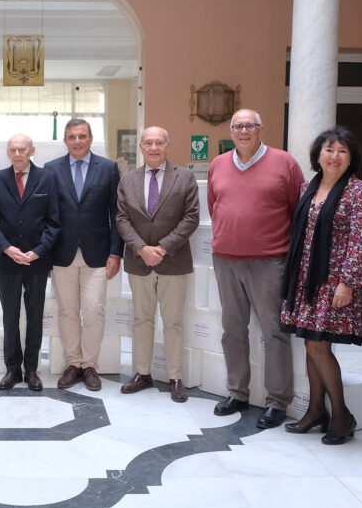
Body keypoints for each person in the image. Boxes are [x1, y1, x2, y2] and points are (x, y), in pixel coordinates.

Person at [207, 109, 303, 428]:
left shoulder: (284, 163)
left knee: (273, 332)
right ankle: (238, 391)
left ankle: (277, 400)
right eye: (238, 126)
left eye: (250, 125)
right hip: (225, 260)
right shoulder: (218, 164)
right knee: (232, 330)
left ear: (261, 129)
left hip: (269, 262)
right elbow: (215, 206)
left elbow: (297, 211)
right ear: (231, 132)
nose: (244, 131)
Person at [280, 126, 362, 444]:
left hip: (334, 281)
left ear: (352, 158)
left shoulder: (360, 192)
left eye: (342, 151)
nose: (334, 156)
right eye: (329, 149)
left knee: (318, 346)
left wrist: (348, 283)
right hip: (305, 278)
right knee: (311, 342)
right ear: (318, 154)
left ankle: (342, 414)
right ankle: (316, 410)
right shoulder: (310, 186)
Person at [116, 126, 200, 402]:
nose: (154, 148)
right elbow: (122, 219)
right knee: (142, 320)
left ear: (167, 146)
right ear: (141, 147)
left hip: (173, 261)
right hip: (139, 262)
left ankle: (175, 377)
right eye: (148, 143)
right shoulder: (127, 179)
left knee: (173, 322)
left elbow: (191, 217)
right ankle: (142, 373)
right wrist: (141, 248)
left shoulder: (184, 176)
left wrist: (162, 248)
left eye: (159, 143)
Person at [45, 119, 123, 391]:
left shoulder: (109, 169)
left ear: (90, 139)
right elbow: (46, 216)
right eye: (71, 137)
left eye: (82, 136)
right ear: (65, 141)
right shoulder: (51, 170)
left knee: (94, 311)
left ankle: (90, 365)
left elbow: (117, 215)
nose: (77, 141)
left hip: (98, 254)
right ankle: (73, 363)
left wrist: (116, 252)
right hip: (61, 254)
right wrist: (44, 255)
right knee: (67, 311)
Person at [0, 133, 61, 391]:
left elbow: (54, 222)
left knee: (35, 316)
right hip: (7, 261)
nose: (17, 154)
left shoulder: (47, 178)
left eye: (22, 149)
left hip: (37, 261)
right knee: (11, 316)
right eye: (13, 149)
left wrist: (39, 251)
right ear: (8, 152)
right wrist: (6, 248)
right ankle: (12, 369)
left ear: (31, 151)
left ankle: (32, 370)